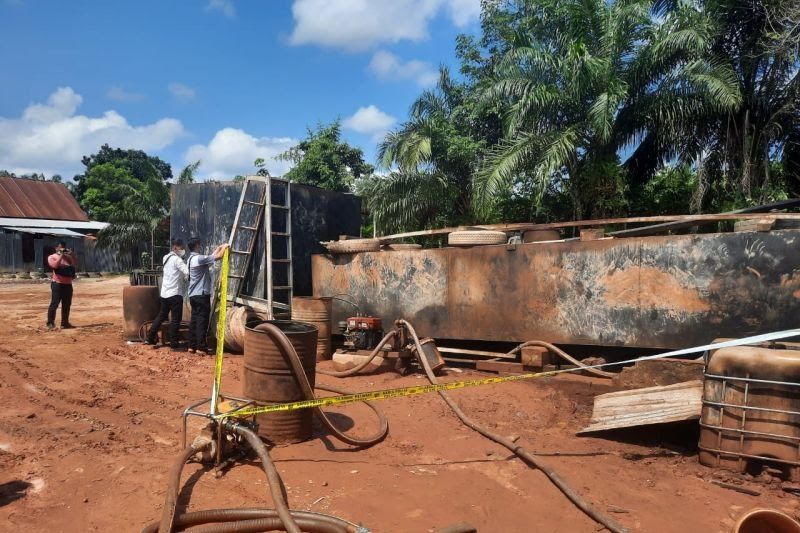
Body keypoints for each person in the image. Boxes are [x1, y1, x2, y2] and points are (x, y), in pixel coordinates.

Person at [186, 238, 229, 354]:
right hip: (201, 295)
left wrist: (219, 247)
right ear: (196, 245)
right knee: (202, 320)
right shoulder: (199, 259)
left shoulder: (191, 259)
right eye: (199, 245)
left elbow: (211, 257)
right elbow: (218, 257)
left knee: (194, 320)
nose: (200, 246)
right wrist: (225, 247)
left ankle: (192, 345)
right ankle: (201, 347)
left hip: (193, 295)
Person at [146, 239, 189, 351]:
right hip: (175, 294)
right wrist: (185, 277)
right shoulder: (177, 260)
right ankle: (174, 344)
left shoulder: (166, 258)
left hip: (165, 293)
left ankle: (150, 337)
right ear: (175, 248)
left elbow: (174, 272)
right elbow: (187, 272)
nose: (182, 250)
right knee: (175, 319)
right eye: (181, 248)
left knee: (161, 315)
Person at [46, 241, 76, 329]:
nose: (62, 249)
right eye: (60, 247)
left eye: (63, 247)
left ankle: (65, 323)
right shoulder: (51, 257)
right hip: (57, 284)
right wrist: (61, 255)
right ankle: (50, 323)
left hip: (68, 284)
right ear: (56, 248)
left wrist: (72, 255)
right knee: (54, 304)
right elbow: (55, 265)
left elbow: (74, 264)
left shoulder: (68, 258)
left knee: (67, 304)